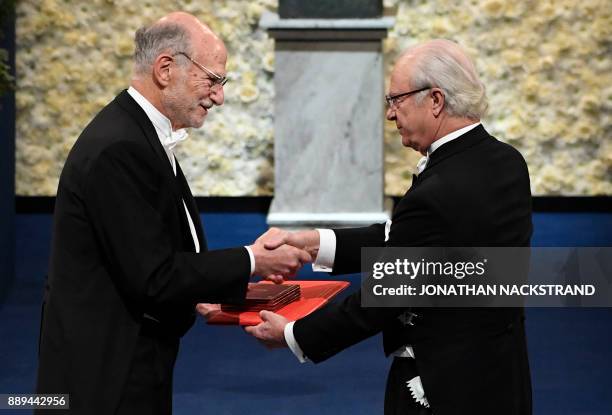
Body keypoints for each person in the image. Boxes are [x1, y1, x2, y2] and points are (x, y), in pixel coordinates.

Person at [35, 12, 310, 415]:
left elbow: (156, 252)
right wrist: (253, 260)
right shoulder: (120, 147)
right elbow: (154, 277)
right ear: (165, 68)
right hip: (101, 379)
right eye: (212, 80)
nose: (218, 96)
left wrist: (216, 288)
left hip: (128, 362)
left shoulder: (137, 133)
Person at [244, 39, 533, 415]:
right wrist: (313, 243)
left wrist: (292, 335)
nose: (390, 115)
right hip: (499, 376)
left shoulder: (439, 190)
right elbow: (416, 240)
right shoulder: (507, 162)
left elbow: (382, 296)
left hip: (440, 386)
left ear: (435, 100)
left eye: (396, 100)